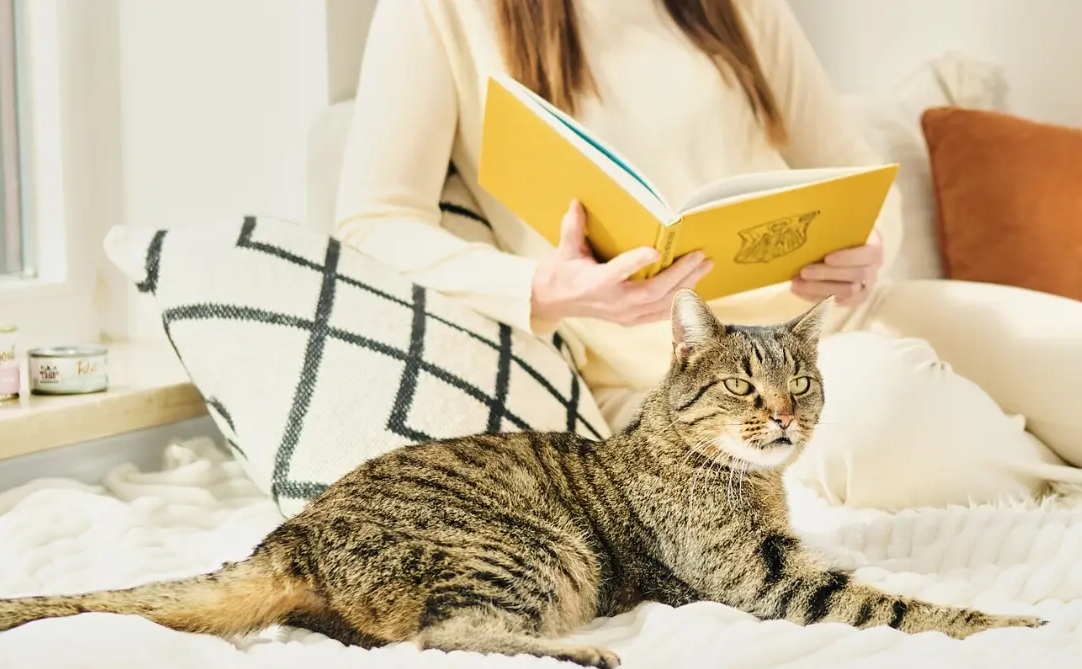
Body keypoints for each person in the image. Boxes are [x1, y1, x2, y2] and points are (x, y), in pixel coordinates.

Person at [334, 0, 1082, 509]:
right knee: (892, 418)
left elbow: (850, 162)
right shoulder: (437, 12)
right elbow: (372, 221)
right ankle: (1055, 485)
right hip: (688, 389)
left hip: (837, 322)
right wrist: (546, 288)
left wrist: (872, 242)